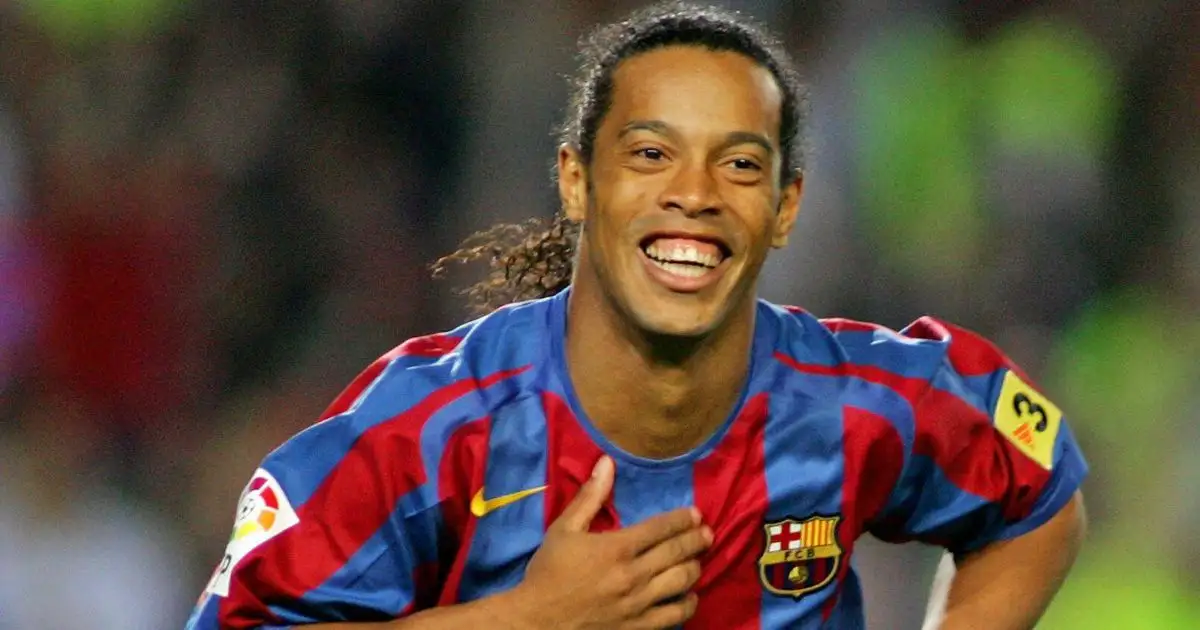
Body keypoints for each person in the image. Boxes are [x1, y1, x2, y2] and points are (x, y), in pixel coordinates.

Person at [186, 3, 1088, 628]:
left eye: (739, 165)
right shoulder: (432, 427)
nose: (693, 194)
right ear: (578, 182)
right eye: (651, 153)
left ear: (786, 207)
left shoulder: (857, 404)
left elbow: (1038, 499)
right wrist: (525, 622)